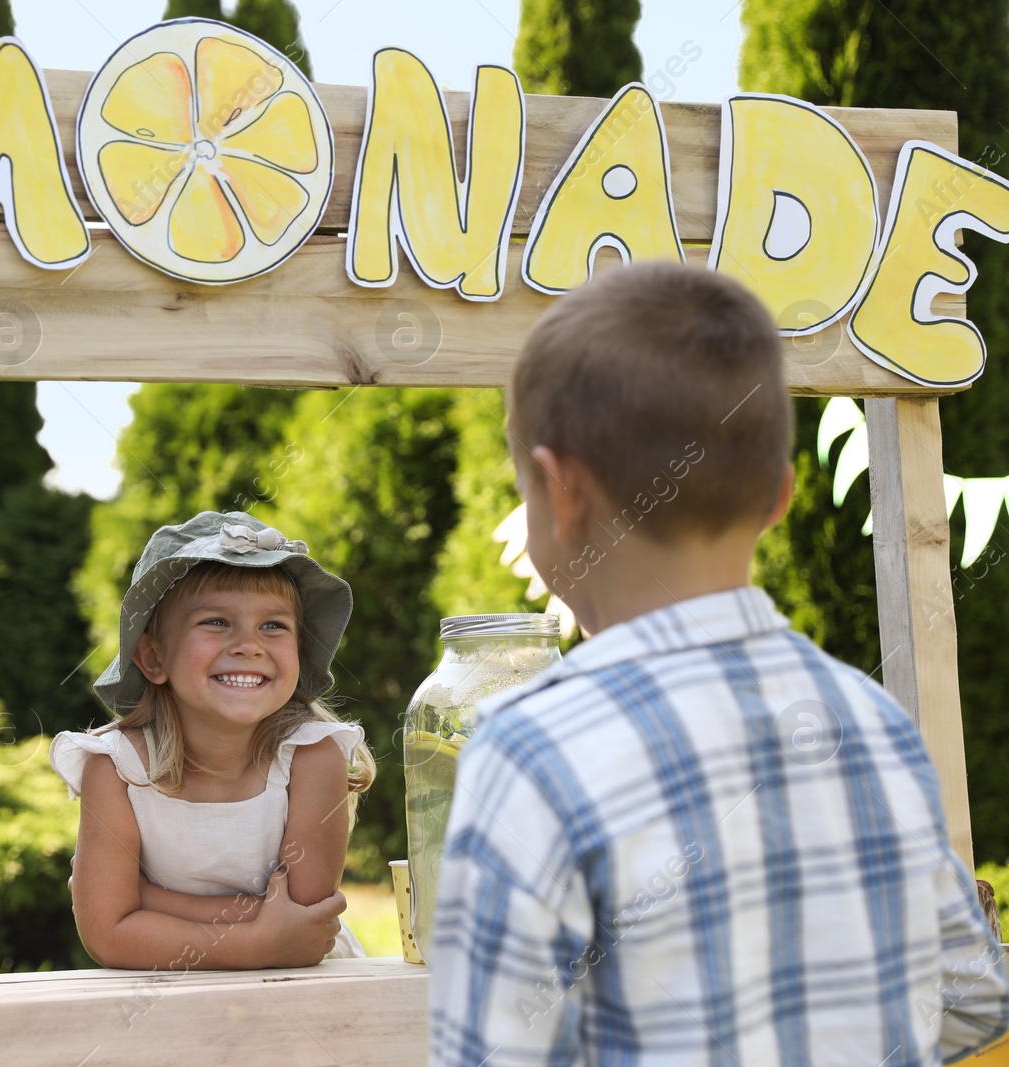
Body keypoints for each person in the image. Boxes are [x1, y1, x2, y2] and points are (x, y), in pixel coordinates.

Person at [429, 262, 1009, 1064]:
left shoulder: (527, 750)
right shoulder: (873, 719)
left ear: (560, 493)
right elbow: (972, 995)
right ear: (779, 495)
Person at [50, 510, 375, 970]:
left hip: (301, 992)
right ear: (153, 656)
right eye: (217, 622)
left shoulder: (312, 757)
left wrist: (145, 900)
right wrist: (257, 944)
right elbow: (107, 936)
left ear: (299, 652)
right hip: (173, 1003)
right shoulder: (118, 768)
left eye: (274, 625)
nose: (249, 644)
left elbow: (302, 921)